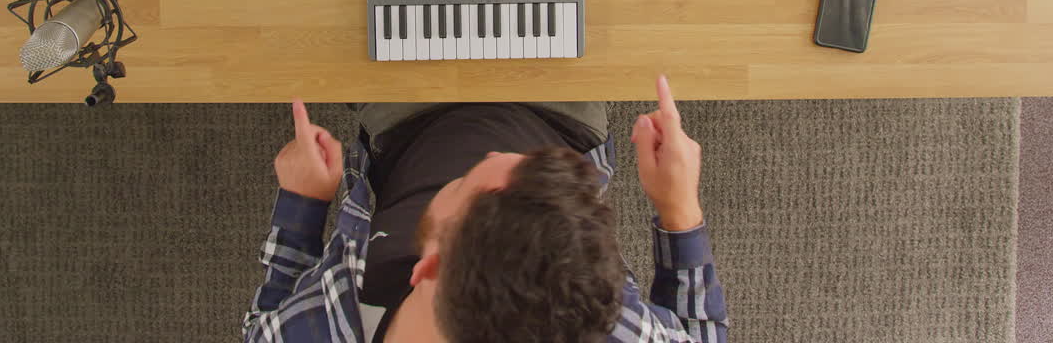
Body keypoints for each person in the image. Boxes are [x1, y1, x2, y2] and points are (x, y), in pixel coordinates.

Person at [243, 75, 727, 342]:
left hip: (404, 122)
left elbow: (262, 321)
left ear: (425, 266)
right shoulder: (609, 330)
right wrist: (678, 206)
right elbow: (699, 336)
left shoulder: (306, 333)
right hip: (562, 118)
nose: (495, 151)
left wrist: (302, 205)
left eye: (468, 183)